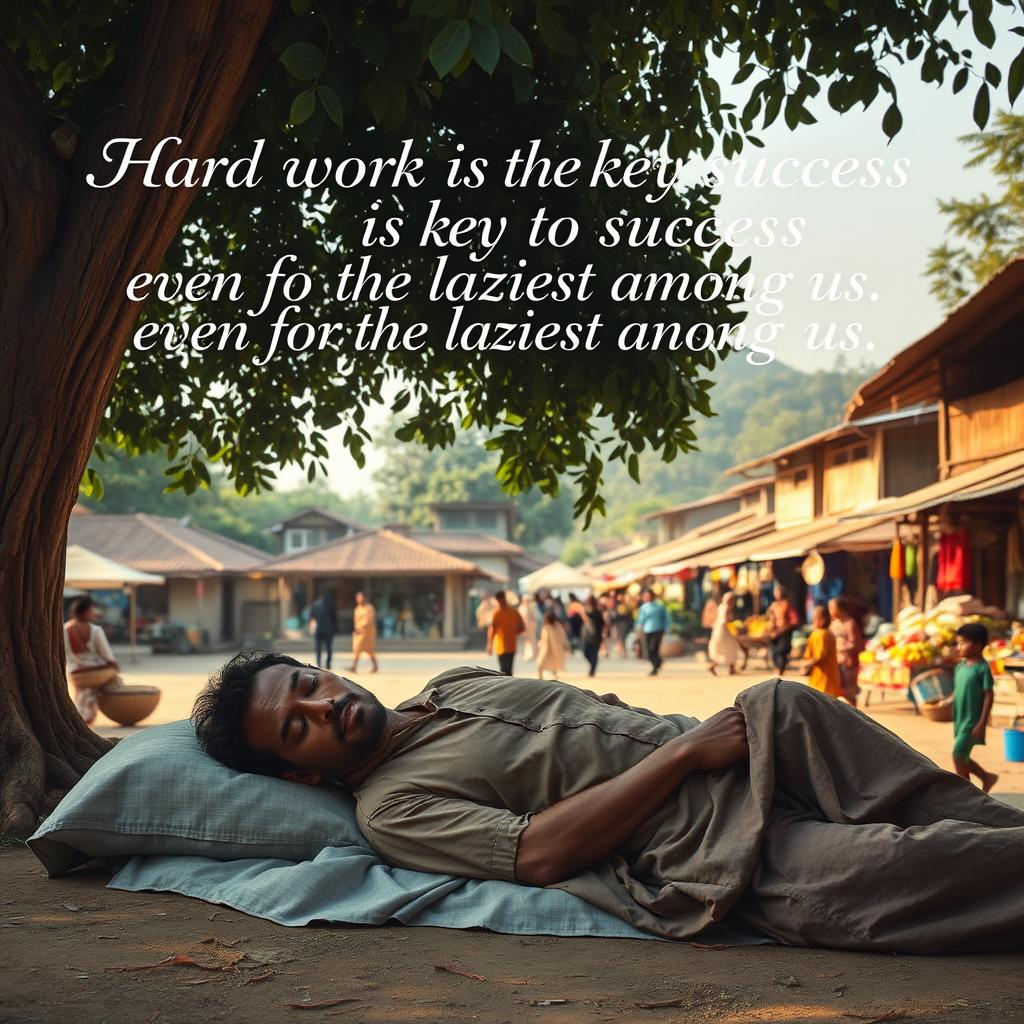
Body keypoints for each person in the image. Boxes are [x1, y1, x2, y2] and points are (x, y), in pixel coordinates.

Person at [194, 652, 1024, 954]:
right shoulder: (390, 806)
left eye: (308, 684)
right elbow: (538, 853)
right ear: (299, 774)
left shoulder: (455, 683)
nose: (322, 706)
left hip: (749, 750)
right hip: (714, 855)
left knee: (786, 701)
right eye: (296, 730)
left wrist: (697, 736)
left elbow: (592, 711)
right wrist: (684, 756)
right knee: (906, 865)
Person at [945, 622, 998, 792]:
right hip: (959, 718)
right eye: (957, 643)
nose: (958, 647)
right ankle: (986, 777)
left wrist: (982, 723)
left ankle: (966, 794)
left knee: (958, 754)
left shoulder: (982, 669)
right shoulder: (960, 667)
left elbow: (989, 696)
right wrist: (946, 701)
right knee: (963, 756)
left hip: (972, 720)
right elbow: (958, 690)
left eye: (962, 643)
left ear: (977, 646)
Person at [63, 595, 123, 724]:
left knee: (84, 691)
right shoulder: (95, 630)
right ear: (85, 612)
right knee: (115, 679)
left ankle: (82, 713)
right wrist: (114, 665)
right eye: (91, 611)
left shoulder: (65, 629)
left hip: (74, 673)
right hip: (95, 674)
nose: (93, 614)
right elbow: (107, 655)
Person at [828, 597, 864, 706]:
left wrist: (842, 648)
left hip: (847, 662)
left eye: (832, 608)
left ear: (840, 609)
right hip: (835, 661)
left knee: (849, 691)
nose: (830, 610)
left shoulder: (850, 623)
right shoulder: (833, 624)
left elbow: (857, 644)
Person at [802, 605, 842, 698]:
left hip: (822, 678)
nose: (813, 621)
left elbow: (820, 656)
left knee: (820, 703)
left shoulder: (819, 634)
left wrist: (805, 664)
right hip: (830, 676)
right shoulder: (829, 633)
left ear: (823, 620)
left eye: (816, 618)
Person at [486, 590, 525, 675]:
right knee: (505, 670)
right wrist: (489, 644)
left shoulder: (507, 612)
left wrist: (514, 634)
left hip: (508, 646)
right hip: (502, 647)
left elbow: (522, 627)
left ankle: (508, 686)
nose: (500, 601)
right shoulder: (498, 613)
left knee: (506, 671)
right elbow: (492, 629)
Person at [707, 591, 742, 677]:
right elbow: (725, 621)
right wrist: (734, 627)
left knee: (729, 649)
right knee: (728, 650)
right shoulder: (726, 608)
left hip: (719, 631)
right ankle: (712, 667)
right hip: (724, 632)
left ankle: (732, 669)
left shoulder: (721, 607)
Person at [766, 584, 799, 675]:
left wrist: (781, 630)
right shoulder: (774, 605)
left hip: (784, 632)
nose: (776, 594)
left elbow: (794, 620)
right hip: (774, 632)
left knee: (781, 651)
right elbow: (771, 618)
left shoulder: (787, 604)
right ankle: (777, 667)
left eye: (777, 592)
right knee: (773, 651)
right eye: (775, 592)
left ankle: (780, 669)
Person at [636, 588, 669, 676]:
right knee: (648, 651)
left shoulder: (660, 606)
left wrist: (665, 629)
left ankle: (655, 667)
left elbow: (666, 619)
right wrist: (638, 631)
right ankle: (657, 663)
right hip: (647, 631)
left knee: (654, 649)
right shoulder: (643, 608)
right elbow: (640, 620)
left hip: (657, 630)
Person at [347, 592, 378, 674]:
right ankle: (354, 667)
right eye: (357, 598)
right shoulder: (357, 609)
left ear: (364, 598)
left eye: (360, 598)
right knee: (357, 649)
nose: (358, 600)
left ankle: (375, 666)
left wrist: (360, 626)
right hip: (359, 633)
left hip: (368, 633)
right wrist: (356, 628)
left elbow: (368, 619)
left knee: (370, 651)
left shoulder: (369, 608)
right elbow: (356, 621)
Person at [535, 609, 569, 679]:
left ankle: (540, 676)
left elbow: (545, 638)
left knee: (540, 663)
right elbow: (563, 636)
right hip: (556, 648)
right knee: (554, 661)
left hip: (546, 648)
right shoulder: (559, 626)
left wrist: (540, 644)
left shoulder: (547, 628)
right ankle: (553, 673)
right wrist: (566, 645)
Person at [308, 592, 338, 670]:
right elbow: (334, 617)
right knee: (329, 648)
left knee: (318, 648)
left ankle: (319, 664)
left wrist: (311, 627)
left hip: (318, 629)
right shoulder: (330, 604)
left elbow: (311, 617)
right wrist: (335, 628)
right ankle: (328, 664)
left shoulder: (315, 604)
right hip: (328, 629)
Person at [580, 595, 605, 678]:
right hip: (588, 636)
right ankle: (592, 666)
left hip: (596, 636)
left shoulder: (596, 613)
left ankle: (592, 670)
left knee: (594, 654)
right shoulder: (588, 612)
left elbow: (602, 623)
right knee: (586, 652)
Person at [519, 594, 538, 662]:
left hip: (531, 627)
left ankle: (533, 655)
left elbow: (533, 617)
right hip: (525, 627)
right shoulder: (521, 608)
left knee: (532, 641)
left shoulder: (531, 607)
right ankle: (528, 655)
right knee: (527, 641)